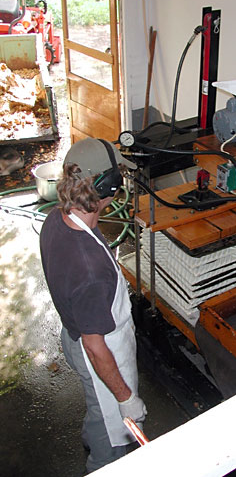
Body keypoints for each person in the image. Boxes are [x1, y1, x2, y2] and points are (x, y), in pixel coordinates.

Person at [40, 137, 146, 473]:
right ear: (108, 186)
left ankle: (92, 431)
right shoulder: (90, 271)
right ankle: (100, 458)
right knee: (111, 439)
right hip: (96, 354)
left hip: (72, 335)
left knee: (96, 411)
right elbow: (96, 347)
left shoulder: (56, 220)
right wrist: (126, 398)